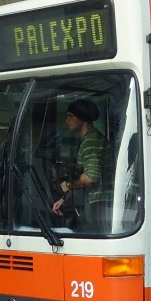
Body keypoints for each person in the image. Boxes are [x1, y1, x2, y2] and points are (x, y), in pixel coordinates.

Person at [52, 99, 110, 230]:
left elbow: (90, 179)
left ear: (82, 118)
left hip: (97, 203)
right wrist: (64, 199)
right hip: (94, 201)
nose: (67, 121)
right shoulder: (90, 139)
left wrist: (68, 184)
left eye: (71, 116)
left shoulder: (92, 141)